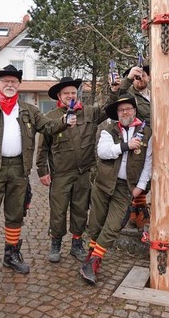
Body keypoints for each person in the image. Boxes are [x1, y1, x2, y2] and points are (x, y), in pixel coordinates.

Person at [0, 65, 73, 286]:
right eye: (5, 82)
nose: (9, 85)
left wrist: (64, 122)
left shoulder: (28, 110)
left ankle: (11, 255)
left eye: (13, 81)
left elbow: (48, 127)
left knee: (15, 214)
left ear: (19, 85)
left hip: (19, 170)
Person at [36, 76, 114, 263]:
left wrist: (115, 90)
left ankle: (76, 244)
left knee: (80, 209)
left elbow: (109, 108)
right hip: (60, 174)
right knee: (58, 210)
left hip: (83, 173)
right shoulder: (51, 118)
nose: (71, 96)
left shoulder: (89, 113)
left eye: (73, 92)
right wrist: (42, 171)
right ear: (59, 96)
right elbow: (43, 148)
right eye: (66, 93)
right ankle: (56, 243)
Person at [80, 94, 153, 285]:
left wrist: (140, 187)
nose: (125, 112)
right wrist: (125, 146)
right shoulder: (108, 130)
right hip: (103, 184)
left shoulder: (147, 133)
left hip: (125, 188)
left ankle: (94, 261)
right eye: (121, 110)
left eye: (128, 109)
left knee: (112, 227)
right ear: (117, 114)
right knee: (95, 225)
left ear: (135, 111)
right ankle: (91, 258)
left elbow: (148, 163)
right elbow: (103, 152)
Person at [119, 64, 151, 229]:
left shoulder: (156, 93)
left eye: (143, 75)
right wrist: (128, 78)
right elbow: (118, 95)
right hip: (139, 140)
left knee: (151, 176)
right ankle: (135, 210)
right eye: (137, 76)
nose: (140, 78)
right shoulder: (130, 95)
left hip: (160, 140)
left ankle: (140, 207)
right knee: (137, 173)